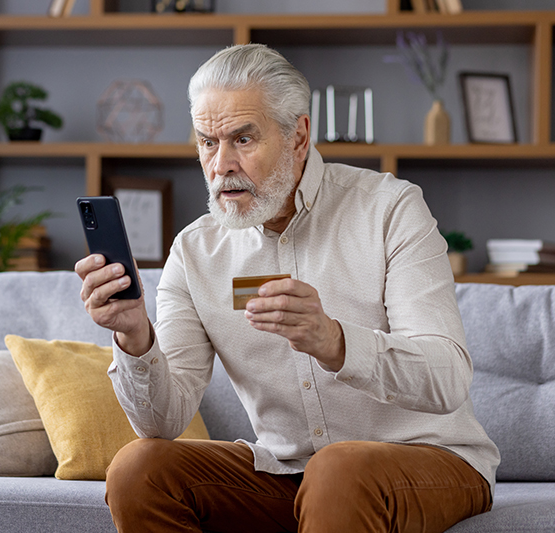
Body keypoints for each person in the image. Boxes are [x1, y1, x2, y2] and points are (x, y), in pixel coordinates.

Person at [75, 43, 499, 533]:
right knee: (138, 470)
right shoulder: (194, 251)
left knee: (338, 468)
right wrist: (134, 337)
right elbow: (162, 424)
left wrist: (336, 342)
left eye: (243, 139)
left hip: (432, 461)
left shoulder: (390, 209)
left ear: (299, 135)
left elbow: (447, 378)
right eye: (207, 142)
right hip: (289, 472)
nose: (221, 165)